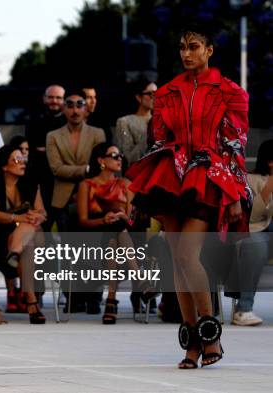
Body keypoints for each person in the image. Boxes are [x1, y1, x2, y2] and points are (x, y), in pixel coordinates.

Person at [125, 23, 250, 368]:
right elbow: (160, 139)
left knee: (187, 254)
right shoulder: (165, 93)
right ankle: (192, 340)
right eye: (182, 47)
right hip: (171, 174)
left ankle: (211, 334)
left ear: (209, 50)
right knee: (178, 258)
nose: (186, 53)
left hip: (208, 177)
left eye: (194, 46)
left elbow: (235, 146)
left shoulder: (230, 92)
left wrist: (235, 190)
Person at [76, 142, 155, 324]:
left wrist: (122, 217)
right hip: (95, 237)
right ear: (101, 160)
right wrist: (103, 220)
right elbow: (82, 220)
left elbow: (131, 221)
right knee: (114, 230)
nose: (120, 159)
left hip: (124, 236)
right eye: (114, 156)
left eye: (120, 156)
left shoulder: (126, 184)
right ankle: (140, 279)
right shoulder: (86, 185)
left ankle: (111, 299)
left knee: (118, 227)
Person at [0, 146, 46, 323]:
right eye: (17, 160)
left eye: (23, 160)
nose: (22, 163)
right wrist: (19, 217)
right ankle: (32, 303)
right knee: (29, 243)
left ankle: (15, 253)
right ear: (4, 166)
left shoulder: (31, 185)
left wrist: (36, 216)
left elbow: (42, 212)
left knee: (31, 230)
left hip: (25, 241)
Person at [46, 88, 106, 232]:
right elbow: (56, 169)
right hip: (62, 200)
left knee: (93, 247)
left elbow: (99, 167)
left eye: (79, 105)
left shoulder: (97, 134)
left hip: (93, 197)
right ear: (63, 108)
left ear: (86, 109)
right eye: (70, 105)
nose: (75, 110)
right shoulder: (52, 136)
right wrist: (85, 169)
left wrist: (81, 170)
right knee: (68, 247)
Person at [231, 139, 272, 326]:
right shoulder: (250, 180)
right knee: (254, 245)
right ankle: (243, 309)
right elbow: (253, 216)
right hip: (259, 230)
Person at [25, 84, 67, 229]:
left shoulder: (70, 122)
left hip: (66, 184)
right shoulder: (34, 121)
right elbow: (33, 150)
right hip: (41, 183)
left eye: (58, 98)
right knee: (44, 225)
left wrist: (47, 150)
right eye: (51, 97)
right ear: (44, 99)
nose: (54, 101)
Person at [114, 80, 158, 165]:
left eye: (157, 94)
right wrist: (149, 132)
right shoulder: (125, 121)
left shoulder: (162, 120)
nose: (155, 97)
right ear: (139, 97)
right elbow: (128, 157)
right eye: (150, 94)